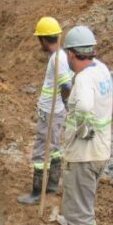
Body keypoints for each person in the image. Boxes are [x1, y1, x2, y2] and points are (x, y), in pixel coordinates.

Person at [53, 26, 113, 225]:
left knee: (81, 209)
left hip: (85, 155)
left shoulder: (85, 79)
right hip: (100, 150)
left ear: (71, 54)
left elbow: (86, 106)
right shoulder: (101, 69)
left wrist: (83, 126)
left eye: (67, 53)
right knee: (76, 203)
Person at [17, 17, 74, 206]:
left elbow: (66, 84)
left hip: (51, 112)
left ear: (42, 39)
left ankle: (36, 192)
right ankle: (51, 185)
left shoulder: (58, 59)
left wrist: (65, 101)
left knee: (41, 151)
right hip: (55, 111)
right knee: (55, 147)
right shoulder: (61, 56)